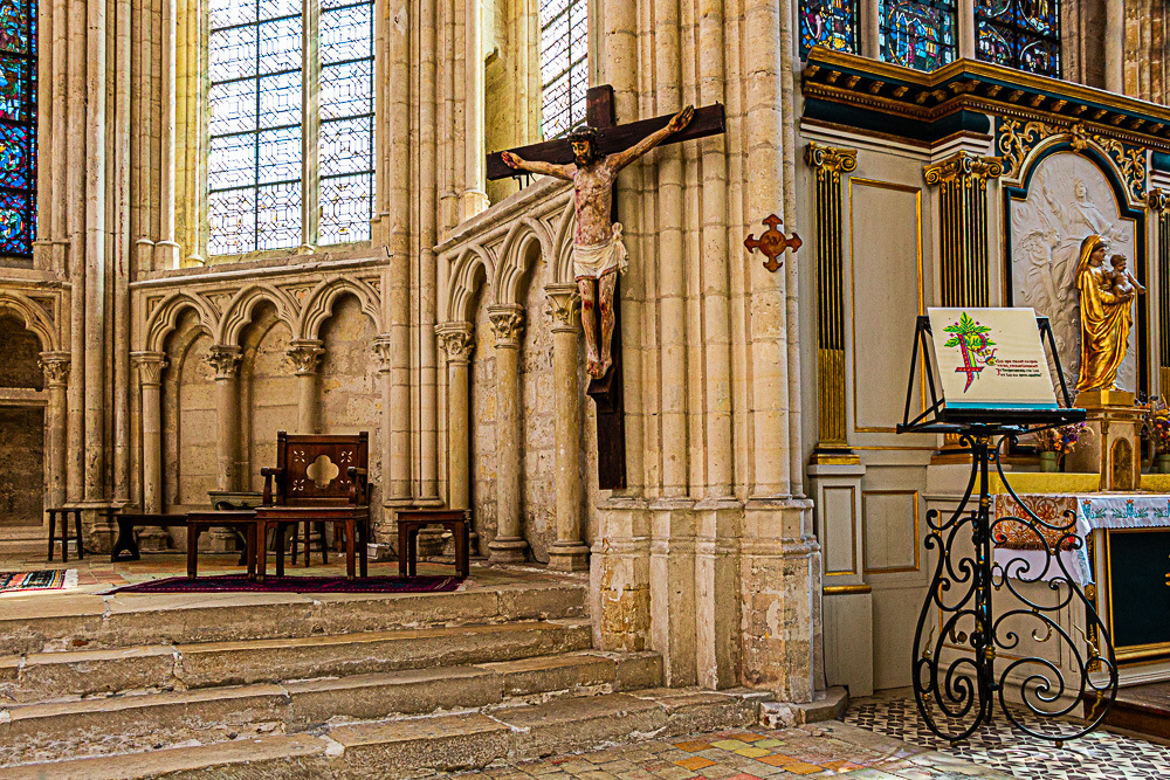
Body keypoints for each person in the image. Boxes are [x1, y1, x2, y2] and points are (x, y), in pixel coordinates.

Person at [501, 104, 695, 379]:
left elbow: (639, 149)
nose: (579, 153)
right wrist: (522, 164)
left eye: (582, 147)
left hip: (604, 246)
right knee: (587, 303)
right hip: (582, 248)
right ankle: (593, 352)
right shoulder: (574, 173)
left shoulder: (609, 167)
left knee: (605, 304)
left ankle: (606, 355)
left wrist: (668, 130)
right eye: (575, 148)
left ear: (592, 145)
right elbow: (547, 167)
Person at [1075, 235, 1136, 393]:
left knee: (1116, 346)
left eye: (1104, 251)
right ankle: (1094, 385)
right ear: (1091, 252)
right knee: (1104, 347)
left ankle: (1108, 383)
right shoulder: (1088, 272)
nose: (1104, 254)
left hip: (1112, 315)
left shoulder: (1103, 271)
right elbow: (1095, 296)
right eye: (1101, 251)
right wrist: (1116, 298)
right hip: (1098, 318)